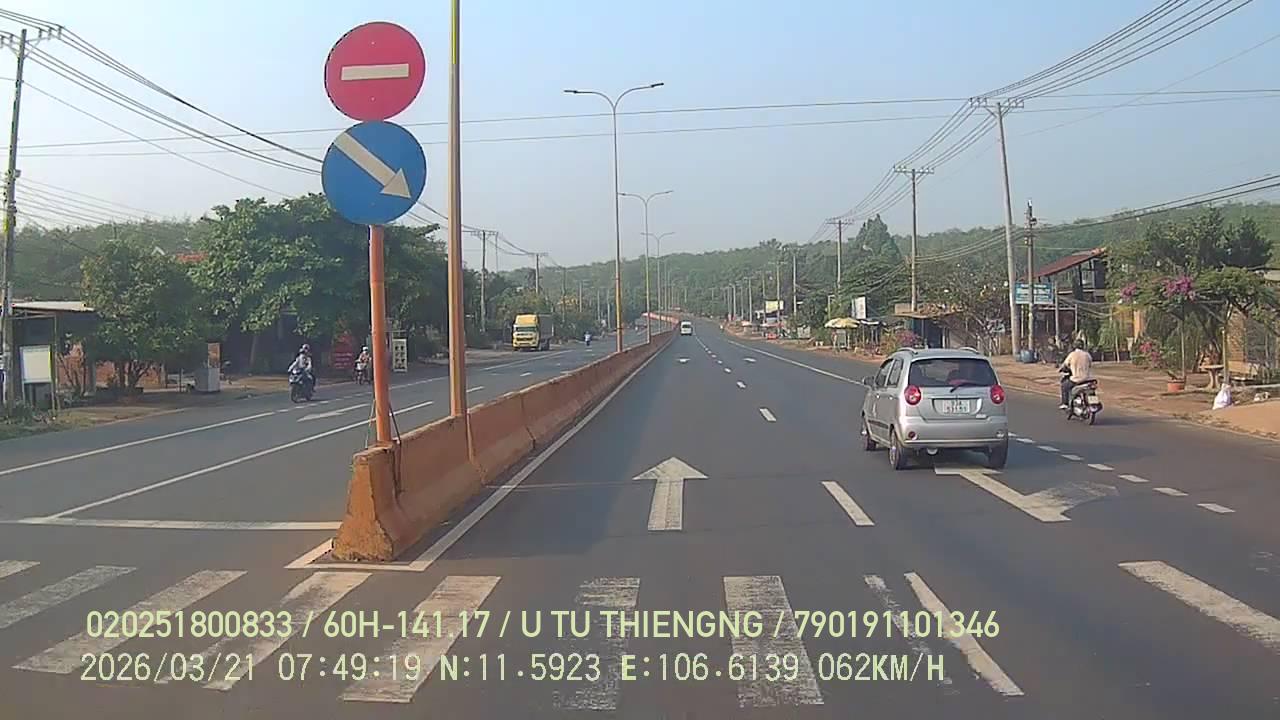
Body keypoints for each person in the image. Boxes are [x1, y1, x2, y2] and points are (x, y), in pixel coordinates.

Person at [1059, 339, 1094, 409]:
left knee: (1064, 385)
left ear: (1074, 346)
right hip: (1088, 379)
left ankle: (1065, 403)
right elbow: (1090, 364)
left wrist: (1062, 368)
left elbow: (1065, 365)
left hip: (1076, 379)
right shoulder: (1087, 355)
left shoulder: (1072, 355)